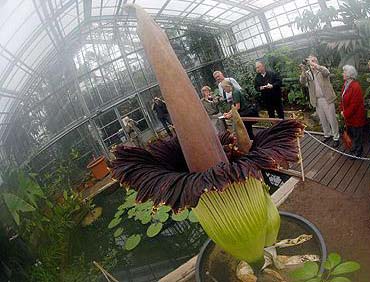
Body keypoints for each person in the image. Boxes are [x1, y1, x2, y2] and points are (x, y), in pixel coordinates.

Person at [299, 55, 340, 147]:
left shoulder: (322, 69)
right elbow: (302, 82)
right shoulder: (308, 73)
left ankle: (336, 137)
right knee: (323, 119)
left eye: (313, 60)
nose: (311, 62)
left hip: (327, 99)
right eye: (310, 61)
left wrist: (314, 65)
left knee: (332, 119)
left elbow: (327, 72)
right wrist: (303, 70)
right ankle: (327, 135)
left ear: (317, 61)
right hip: (317, 100)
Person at [339, 65, 367, 157]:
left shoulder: (356, 86)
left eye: (344, 72)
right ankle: (354, 148)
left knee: (357, 136)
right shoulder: (346, 84)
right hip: (349, 117)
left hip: (356, 117)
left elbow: (354, 105)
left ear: (349, 75)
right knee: (352, 134)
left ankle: (358, 152)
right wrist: (342, 110)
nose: (342, 74)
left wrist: (345, 113)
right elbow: (342, 98)